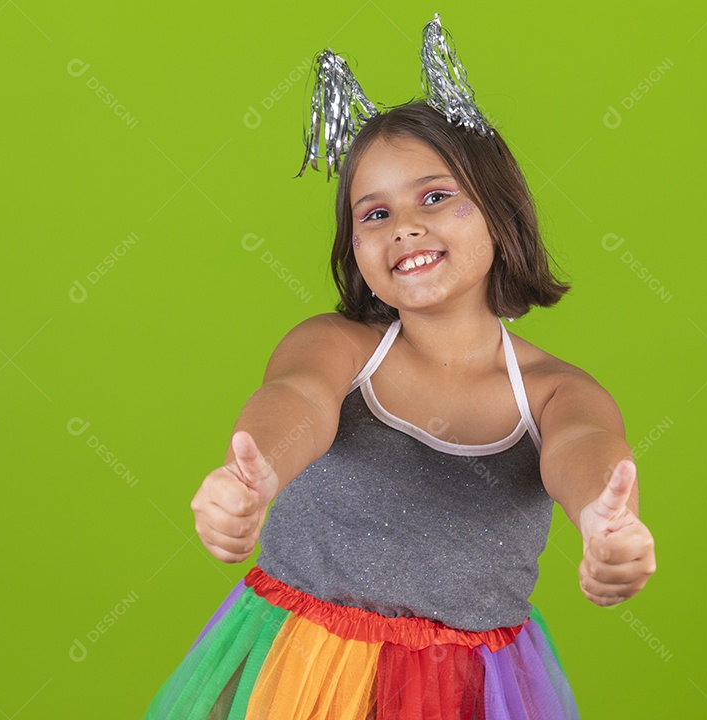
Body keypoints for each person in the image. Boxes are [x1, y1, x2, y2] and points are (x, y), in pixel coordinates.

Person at [143, 16, 656, 720]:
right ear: (352, 244)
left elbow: (583, 446)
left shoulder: (554, 391)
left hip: (468, 690)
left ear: (499, 214)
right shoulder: (338, 346)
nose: (404, 226)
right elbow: (299, 401)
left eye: (435, 197)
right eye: (374, 212)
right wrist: (254, 472)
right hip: (298, 672)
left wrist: (604, 517)